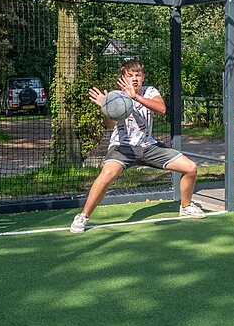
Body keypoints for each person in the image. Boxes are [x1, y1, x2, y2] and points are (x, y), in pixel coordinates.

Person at [70, 59, 204, 233]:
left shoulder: (150, 91)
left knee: (190, 168)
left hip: (149, 147)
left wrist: (136, 98)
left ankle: (186, 207)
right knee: (107, 174)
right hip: (123, 148)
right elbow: (110, 125)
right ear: (123, 78)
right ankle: (83, 216)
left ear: (143, 77)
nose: (134, 79)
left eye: (138, 75)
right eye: (129, 75)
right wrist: (107, 107)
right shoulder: (116, 96)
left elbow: (161, 109)